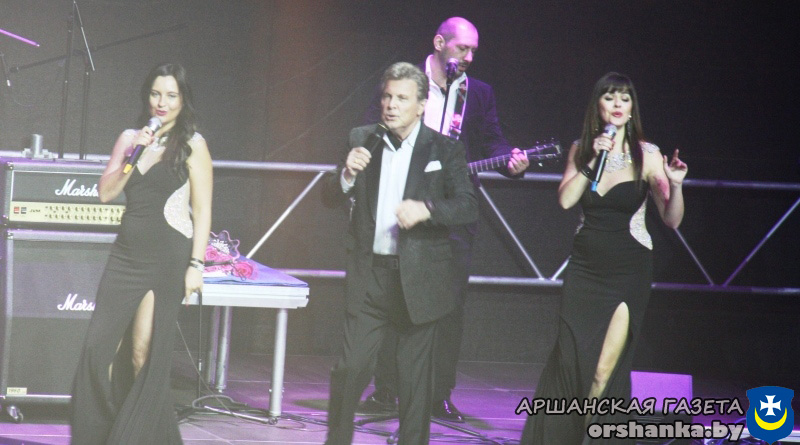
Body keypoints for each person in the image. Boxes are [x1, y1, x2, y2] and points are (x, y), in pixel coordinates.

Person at [361, 16, 530, 423]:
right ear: (439, 43)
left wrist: (511, 161)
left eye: (473, 51)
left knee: (448, 305)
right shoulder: (406, 81)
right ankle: (387, 390)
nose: (468, 57)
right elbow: (373, 128)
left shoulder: (478, 92)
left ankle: (438, 395)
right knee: (394, 296)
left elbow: (492, 140)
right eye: (461, 48)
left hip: (452, 213)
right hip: (403, 205)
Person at [520, 72, 687, 444]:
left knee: (603, 372)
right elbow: (566, 200)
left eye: (624, 98)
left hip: (628, 271)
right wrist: (594, 157)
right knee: (570, 362)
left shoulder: (648, 154)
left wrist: (675, 186)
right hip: (584, 271)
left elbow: (671, 219)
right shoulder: (582, 150)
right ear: (598, 105)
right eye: (610, 97)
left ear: (632, 107)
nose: (617, 105)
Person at [322, 62, 478, 444]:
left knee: (414, 383)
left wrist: (427, 209)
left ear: (422, 105)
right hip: (371, 275)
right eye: (387, 97)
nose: (391, 105)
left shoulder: (445, 149)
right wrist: (347, 174)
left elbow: (467, 206)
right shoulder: (362, 138)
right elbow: (328, 196)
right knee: (350, 368)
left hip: (420, 277)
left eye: (402, 99)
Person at [70, 63, 213, 444]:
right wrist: (134, 154)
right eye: (155, 94)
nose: (162, 102)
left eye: (171, 95)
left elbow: (203, 210)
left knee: (141, 354)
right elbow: (106, 193)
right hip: (126, 256)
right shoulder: (130, 139)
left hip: (167, 258)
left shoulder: (193, 145)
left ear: (183, 100)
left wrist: (196, 265)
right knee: (97, 349)